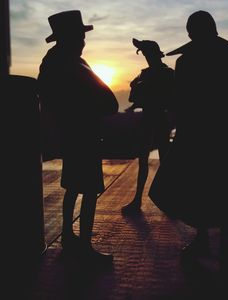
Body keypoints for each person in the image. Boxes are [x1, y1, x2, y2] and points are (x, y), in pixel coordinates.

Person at [148, 10, 228, 263]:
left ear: (192, 33)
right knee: (225, 189)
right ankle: (223, 245)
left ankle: (203, 240)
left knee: (199, 188)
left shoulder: (186, 62)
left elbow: (180, 100)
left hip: (197, 136)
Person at [38, 10, 119, 263]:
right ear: (71, 38)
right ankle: (85, 247)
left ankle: (67, 234)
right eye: (80, 37)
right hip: (83, 135)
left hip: (69, 135)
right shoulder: (73, 64)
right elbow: (109, 102)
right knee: (90, 190)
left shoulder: (50, 62)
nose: (84, 42)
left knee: (73, 187)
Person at [121, 38, 175, 215]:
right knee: (144, 159)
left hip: (159, 118)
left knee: (165, 161)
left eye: (145, 53)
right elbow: (135, 99)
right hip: (149, 118)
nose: (144, 56)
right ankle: (137, 200)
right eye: (143, 53)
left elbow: (172, 99)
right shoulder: (144, 75)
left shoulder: (167, 74)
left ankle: (168, 200)